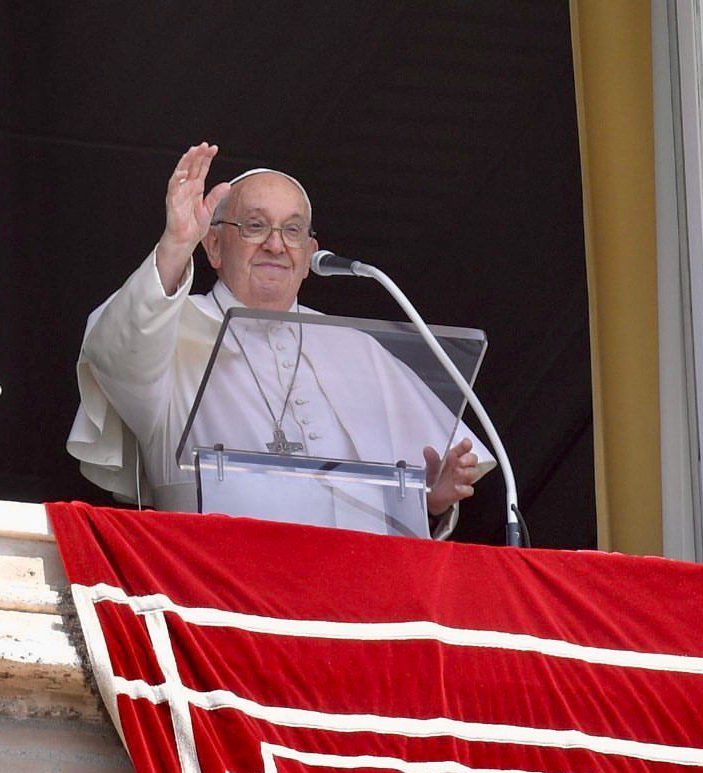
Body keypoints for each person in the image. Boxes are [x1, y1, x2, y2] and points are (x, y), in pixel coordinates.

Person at [67, 142, 494, 537]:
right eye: (255, 226)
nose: (276, 245)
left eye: (292, 231)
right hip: (211, 584)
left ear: (310, 257)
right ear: (213, 245)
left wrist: (427, 497)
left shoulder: (356, 348)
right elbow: (116, 352)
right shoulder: (170, 332)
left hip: (354, 594)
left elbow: (401, 497)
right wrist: (177, 244)